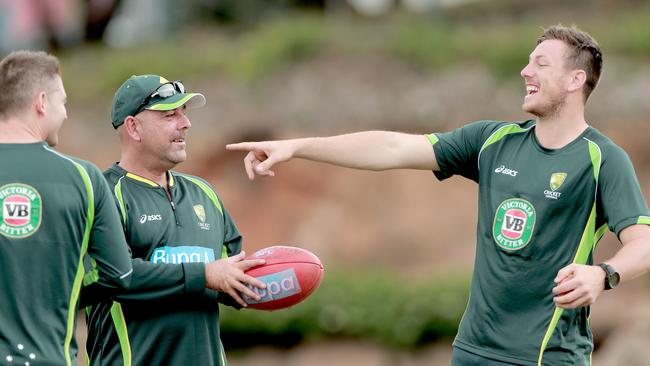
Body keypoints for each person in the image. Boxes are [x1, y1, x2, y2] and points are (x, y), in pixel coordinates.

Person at [227, 25, 650, 365]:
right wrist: (297, 146)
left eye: (540, 63)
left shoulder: (602, 159)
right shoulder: (493, 141)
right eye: (526, 61)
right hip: (473, 351)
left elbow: (643, 243)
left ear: (576, 79)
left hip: (548, 355)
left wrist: (603, 274)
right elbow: (393, 148)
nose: (525, 71)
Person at [84, 75, 266, 365]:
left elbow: (231, 276)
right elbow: (109, 276)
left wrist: (274, 281)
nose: (185, 124)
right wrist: (202, 275)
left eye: (184, 114)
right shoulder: (102, 194)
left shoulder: (203, 192)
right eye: (170, 115)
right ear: (133, 127)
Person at [0, 51, 133, 365]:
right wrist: (65, 290)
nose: (66, 113)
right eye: (63, 102)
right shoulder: (85, 179)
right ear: (42, 102)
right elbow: (119, 274)